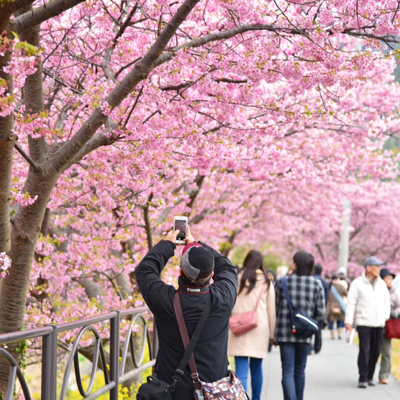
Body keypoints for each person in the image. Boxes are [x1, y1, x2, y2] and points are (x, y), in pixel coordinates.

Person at [135, 225, 238, 399]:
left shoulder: (165, 300)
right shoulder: (223, 297)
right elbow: (228, 268)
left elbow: (145, 270)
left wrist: (168, 244)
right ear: (211, 273)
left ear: (181, 271)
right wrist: (196, 245)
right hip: (213, 391)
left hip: (172, 391)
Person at [274, 251, 325, 400]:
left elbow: (275, 308)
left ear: (295, 264)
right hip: (305, 333)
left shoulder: (282, 282)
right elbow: (320, 311)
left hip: (284, 332)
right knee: (300, 370)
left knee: (287, 370)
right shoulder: (317, 284)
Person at [228, 250, 276, 400]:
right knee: (256, 368)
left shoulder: (236, 278)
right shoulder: (266, 282)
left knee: (241, 368)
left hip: (238, 325)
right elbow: (271, 310)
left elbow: (229, 302)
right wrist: (272, 335)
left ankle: (242, 398)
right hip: (259, 327)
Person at [344, 256, 391, 389]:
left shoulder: (381, 283)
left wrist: (385, 316)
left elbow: (386, 301)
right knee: (364, 350)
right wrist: (348, 322)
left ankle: (370, 376)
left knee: (376, 350)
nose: (379, 269)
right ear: (368, 268)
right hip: (363, 321)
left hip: (379, 322)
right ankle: (363, 377)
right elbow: (351, 303)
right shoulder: (357, 283)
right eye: (376, 266)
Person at [378, 268, 400, 384]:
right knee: (373, 350)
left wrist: (395, 312)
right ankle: (367, 374)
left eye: (391, 278)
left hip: (389, 326)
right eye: (387, 278)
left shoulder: (394, 292)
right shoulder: (377, 291)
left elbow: (398, 306)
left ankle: (384, 375)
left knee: (386, 352)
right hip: (376, 324)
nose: (390, 280)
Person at [311, 264, 329, 353]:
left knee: (309, 327)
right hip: (320, 309)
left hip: (310, 309)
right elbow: (326, 297)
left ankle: (309, 348)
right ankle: (317, 348)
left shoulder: (311, 280)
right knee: (318, 330)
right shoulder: (325, 283)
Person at [326, 274, 347, 340]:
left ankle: (332, 335)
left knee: (331, 320)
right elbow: (346, 294)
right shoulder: (341, 287)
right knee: (340, 319)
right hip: (339, 305)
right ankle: (339, 333)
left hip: (330, 305)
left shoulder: (329, 287)